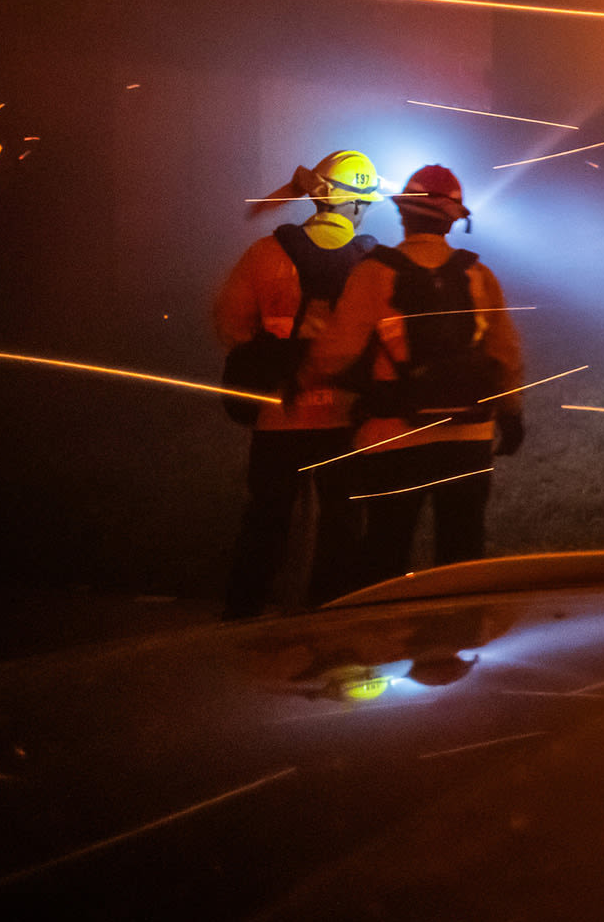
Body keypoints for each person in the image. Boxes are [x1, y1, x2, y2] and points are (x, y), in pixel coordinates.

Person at [303, 164, 525, 589]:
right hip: (469, 436)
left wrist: (307, 379)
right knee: (462, 557)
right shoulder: (478, 274)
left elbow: (335, 353)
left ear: (403, 214)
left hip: (394, 438)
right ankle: (459, 629)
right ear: (452, 221)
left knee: (386, 553)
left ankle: (389, 628)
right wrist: (511, 414)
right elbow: (504, 354)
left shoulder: (374, 272)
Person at [213, 148, 387, 618]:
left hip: (278, 419)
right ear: (354, 203)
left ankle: (242, 621)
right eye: (366, 201)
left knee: (265, 523)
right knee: (342, 527)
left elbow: (229, 325)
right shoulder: (371, 264)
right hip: (344, 422)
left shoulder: (266, 253)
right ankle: (327, 623)